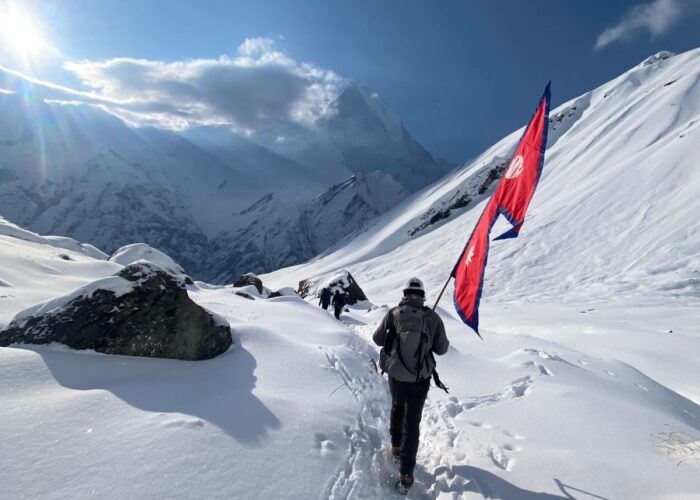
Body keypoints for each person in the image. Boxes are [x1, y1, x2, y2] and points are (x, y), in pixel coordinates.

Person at [372, 277, 449, 495]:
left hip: (396, 375)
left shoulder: (394, 313)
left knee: (397, 407)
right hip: (419, 378)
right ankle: (406, 475)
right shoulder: (431, 317)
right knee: (412, 423)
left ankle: (396, 448)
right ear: (422, 295)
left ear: (404, 294)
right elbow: (442, 349)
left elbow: (377, 339)